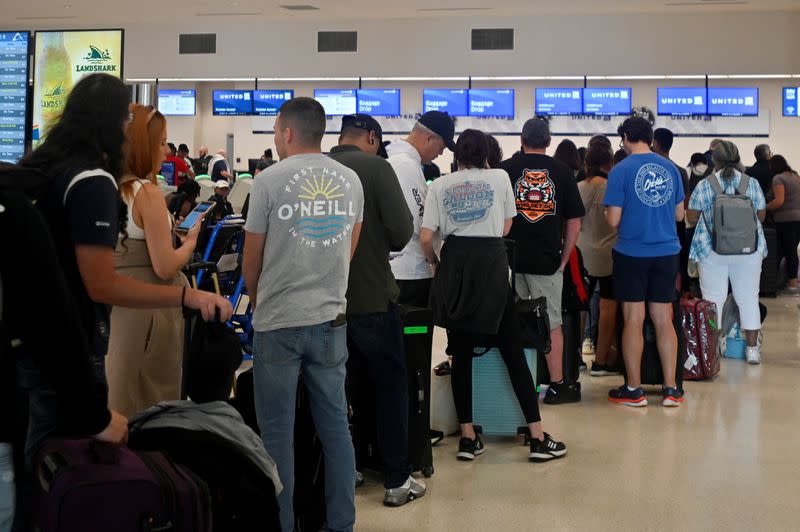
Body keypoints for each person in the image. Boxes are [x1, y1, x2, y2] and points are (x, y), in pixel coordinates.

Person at [19, 73, 231, 458]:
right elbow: (101, 284)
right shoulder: (94, 182)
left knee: (35, 467)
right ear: (114, 123)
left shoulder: (44, 169)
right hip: (69, 339)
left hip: (26, 337)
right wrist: (186, 295)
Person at [242, 97, 363, 532]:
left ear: (288, 132)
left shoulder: (269, 181)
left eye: (277, 130)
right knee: (335, 429)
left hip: (278, 323)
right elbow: (350, 245)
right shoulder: (350, 180)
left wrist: (260, 301)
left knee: (276, 435)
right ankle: (341, 524)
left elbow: (250, 260)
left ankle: (284, 524)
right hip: (330, 321)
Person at [421, 129, 567, 462]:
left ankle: (468, 438)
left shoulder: (441, 185)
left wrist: (437, 263)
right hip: (490, 266)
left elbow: (427, 236)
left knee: (460, 353)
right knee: (513, 351)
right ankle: (536, 436)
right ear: (487, 152)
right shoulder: (500, 177)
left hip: (455, 265)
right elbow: (505, 227)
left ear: (457, 154)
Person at [328, 114, 425, 507]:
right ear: (371, 137)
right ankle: (396, 481)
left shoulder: (316, 167)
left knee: (336, 389)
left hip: (326, 303)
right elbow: (403, 231)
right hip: (370, 297)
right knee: (389, 387)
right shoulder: (376, 167)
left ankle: (344, 470)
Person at [105, 104, 200, 417]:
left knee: (118, 392)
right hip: (150, 311)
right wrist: (190, 244)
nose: (166, 150)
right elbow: (164, 266)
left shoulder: (107, 186)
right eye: (160, 143)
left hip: (115, 306)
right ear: (143, 146)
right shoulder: (147, 192)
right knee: (150, 400)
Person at [501, 118, 585, 405]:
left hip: (509, 261)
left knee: (513, 323)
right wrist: (564, 259)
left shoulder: (505, 170)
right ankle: (558, 385)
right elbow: (574, 222)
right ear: (548, 142)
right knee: (551, 323)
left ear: (521, 140)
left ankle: (521, 384)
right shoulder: (562, 172)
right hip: (546, 261)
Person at [603, 117, 685, 408]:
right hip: (666, 252)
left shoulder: (620, 170)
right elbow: (679, 215)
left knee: (634, 319)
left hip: (631, 253)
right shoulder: (670, 168)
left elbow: (613, 220)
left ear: (625, 137)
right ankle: (671, 389)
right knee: (664, 320)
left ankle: (634, 390)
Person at [687, 140, 767, 364]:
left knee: (713, 300)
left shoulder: (704, 185)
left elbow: (691, 217)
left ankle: (714, 348)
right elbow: (760, 215)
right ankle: (752, 351)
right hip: (748, 250)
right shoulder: (751, 184)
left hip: (712, 250)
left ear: (715, 160)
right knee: (749, 298)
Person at [386, 111, 455, 307]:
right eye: (441, 147)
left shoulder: (396, 159)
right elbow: (420, 224)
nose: (440, 153)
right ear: (429, 138)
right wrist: (434, 259)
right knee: (414, 332)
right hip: (410, 273)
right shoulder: (406, 166)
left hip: (400, 269)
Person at [577, 142, 620, 377]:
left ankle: (576, 359)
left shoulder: (578, 187)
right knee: (607, 305)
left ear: (587, 163)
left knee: (580, 305)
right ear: (609, 163)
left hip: (582, 252)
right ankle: (601, 361)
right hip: (609, 254)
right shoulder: (612, 187)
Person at [652, 128, 690, 293]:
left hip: (654, 227)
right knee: (676, 264)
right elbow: (685, 201)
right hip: (675, 226)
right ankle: (675, 294)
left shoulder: (650, 169)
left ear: (657, 143)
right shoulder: (679, 171)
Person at [766, 155, 800, 292]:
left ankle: (792, 284)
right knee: (789, 250)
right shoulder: (795, 176)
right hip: (798, 220)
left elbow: (779, 201)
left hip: (786, 221)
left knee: (788, 252)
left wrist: (764, 207)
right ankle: (787, 282)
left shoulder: (778, 178)